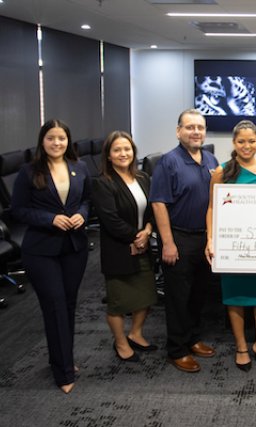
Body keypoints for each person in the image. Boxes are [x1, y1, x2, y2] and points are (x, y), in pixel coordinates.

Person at [11, 119, 91, 394]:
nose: (57, 143)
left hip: (74, 248)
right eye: (51, 138)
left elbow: (86, 201)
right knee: (55, 305)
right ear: (42, 141)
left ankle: (62, 358)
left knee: (68, 306)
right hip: (41, 250)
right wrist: (50, 219)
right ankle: (64, 373)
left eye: (62, 138)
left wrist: (82, 214)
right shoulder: (29, 171)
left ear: (68, 141)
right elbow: (18, 210)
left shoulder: (79, 168)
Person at [206, 120, 256, 372]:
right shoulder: (221, 171)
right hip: (233, 247)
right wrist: (211, 239)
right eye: (241, 141)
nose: (246, 146)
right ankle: (241, 347)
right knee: (235, 297)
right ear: (234, 143)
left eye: (251, 141)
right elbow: (212, 208)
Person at [150, 108, 219, 373]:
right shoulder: (169, 162)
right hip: (178, 237)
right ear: (178, 131)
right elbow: (158, 204)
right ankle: (177, 349)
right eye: (190, 127)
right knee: (178, 297)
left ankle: (193, 338)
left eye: (200, 127)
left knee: (198, 294)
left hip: (204, 239)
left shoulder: (211, 159)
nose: (196, 132)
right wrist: (167, 242)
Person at [91, 131, 158, 363]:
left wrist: (147, 232)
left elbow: (151, 211)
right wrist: (135, 237)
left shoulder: (142, 178)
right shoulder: (102, 183)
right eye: (117, 150)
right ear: (108, 155)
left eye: (127, 149)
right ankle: (120, 342)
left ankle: (136, 334)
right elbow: (110, 220)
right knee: (118, 301)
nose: (123, 154)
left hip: (143, 244)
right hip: (118, 249)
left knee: (146, 295)